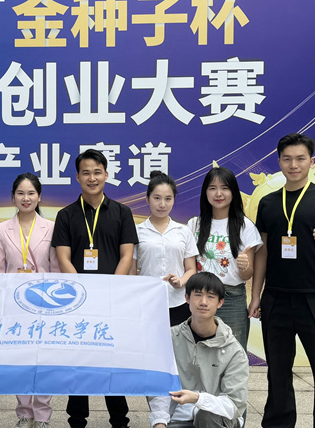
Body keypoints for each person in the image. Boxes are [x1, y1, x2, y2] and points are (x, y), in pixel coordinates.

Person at [249, 133, 315, 428]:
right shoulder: (267, 203)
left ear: (311, 161)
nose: (294, 165)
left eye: (300, 158)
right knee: (278, 370)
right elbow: (263, 251)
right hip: (276, 296)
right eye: (287, 159)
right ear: (279, 161)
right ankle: (278, 423)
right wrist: (256, 295)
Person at [52, 148, 138, 428]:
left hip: (112, 300)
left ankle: (119, 419)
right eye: (86, 173)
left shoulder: (122, 212)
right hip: (76, 301)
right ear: (77, 177)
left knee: (112, 360)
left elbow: (127, 255)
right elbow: (63, 258)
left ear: (106, 175)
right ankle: (77, 419)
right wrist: (81, 293)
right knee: (78, 361)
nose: (92, 178)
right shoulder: (66, 215)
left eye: (97, 172)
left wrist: (111, 290)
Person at [0, 172, 57, 428]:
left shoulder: (51, 227)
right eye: (21, 193)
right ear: (13, 197)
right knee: (19, 359)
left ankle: (42, 415)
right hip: (14, 303)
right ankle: (24, 413)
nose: (26, 198)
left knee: (43, 360)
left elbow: (55, 268)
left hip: (45, 301)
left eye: (31, 193)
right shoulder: (1, 229)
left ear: (39, 197)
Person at [150, 272, 248, 428]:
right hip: (180, 417)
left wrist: (198, 399)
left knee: (207, 415)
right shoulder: (170, 338)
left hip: (218, 419)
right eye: (198, 295)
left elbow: (235, 404)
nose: (203, 302)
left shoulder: (233, 350)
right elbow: (160, 386)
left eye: (211, 297)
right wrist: (159, 422)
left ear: (220, 303)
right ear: (187, 298)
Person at [188, 167, 262, 351]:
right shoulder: (194, 224)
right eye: (212, 188)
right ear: (205, 192)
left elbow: (247, 275)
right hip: (200, 297)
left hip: (231, 298)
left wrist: (244, 266)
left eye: (225, 188)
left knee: (232, 354)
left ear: (233, 192)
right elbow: (188, 266)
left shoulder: (245, 226)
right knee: (200, 352)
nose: (218, 194)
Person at [132, 170, 198, 326]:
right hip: (146, 301)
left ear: (174, 200)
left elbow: (191, 269)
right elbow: (131, 271)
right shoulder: (137, 231)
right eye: (157, 198)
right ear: (147, 199)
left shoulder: (183, 231)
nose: (162, 204)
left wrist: (180, 282)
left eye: (168, 198)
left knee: (177, 341)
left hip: (179, 301)